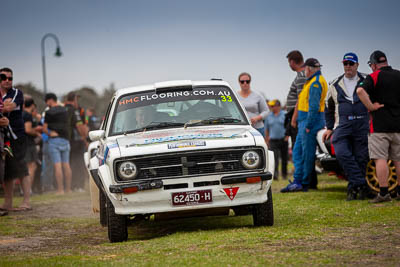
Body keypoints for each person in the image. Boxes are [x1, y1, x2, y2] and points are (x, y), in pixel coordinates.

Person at [323, 53, 369, 201]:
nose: (348, 66)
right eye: (345, 63)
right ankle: (361, 183)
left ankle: (354, 189)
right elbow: (327, 107)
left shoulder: (367, 80)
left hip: (362, 123)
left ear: (357, 65)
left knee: (361, 158)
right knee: (342, 153)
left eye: (351, 63)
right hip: (342, 124)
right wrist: (330, 127)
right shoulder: (334, 84)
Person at [357, 50, 400, 203]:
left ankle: (384, 193)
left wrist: (371, 106)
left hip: (379, 125)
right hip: (398, 124)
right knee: (398, 159)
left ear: (374, 65)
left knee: (380, 158)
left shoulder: (374, 76)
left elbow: (360, 90)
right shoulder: (398, 74)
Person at [281, 58, 328, 192]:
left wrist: (308, 124)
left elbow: (313, 106)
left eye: (305, 69)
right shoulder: (312, 81)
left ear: (308, 69)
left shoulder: (315, 83)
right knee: (298, 152)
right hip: (305, 120)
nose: (304, 71)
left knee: (306, 154)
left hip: (309, 121)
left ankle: (304, 183)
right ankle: (299, 180)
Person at [285, 50, 318, 188]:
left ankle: (305, 181)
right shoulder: (304, 75)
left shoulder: (301, 76)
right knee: (304, 149)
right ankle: (307, 180)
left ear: (292, 61)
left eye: (289, 62)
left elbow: (301, 99)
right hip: (300, 116)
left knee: (300, 150)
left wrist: (293, 118)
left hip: (299, 116)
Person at [0, 68, 31, 211]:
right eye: (3, 77)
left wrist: (5, 107)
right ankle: (8, 203)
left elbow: (7, 108)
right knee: (7, 172)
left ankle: (26, 201)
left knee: (21, 168)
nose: (7, 80)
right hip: (3, 137)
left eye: (10, 78)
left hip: (16, 136)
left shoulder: (17, 93)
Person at [43, 93, 72, 195]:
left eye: (46, 102)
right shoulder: (65, 110)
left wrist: (50, 133)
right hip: (65, 140)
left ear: (50, 100)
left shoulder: (49, 112)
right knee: (66, 165)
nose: (47, 104)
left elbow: (44, 129)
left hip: (54, 140)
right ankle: (68, 189)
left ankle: (60, 190)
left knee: (57, 166)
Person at [64, 92, 88, 192]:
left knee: (69, 163)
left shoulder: (62, 108)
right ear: (74, 99)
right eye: (76, 99)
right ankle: (78, 186)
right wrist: (85, 138)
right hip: (76, 141)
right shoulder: (75, 110)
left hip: (65, 140)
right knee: (79, 163)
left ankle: (70, 186)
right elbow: (79, 126)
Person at [236, 72, 269, 137]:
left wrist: (257, 118)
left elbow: (266, 111)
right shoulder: (235, 96)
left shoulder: (258, 96)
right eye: (242, 81)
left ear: (250, 82)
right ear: (239, 82)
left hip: (258, 128)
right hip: (241, 129)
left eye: (247, 81)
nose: (245, 83)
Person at [22, 98, 42, 195]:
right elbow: (28, 130)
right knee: (31, 166)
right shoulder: (28, 115)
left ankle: (25, 189)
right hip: (29, 144)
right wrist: (37, 133)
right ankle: (28, 190)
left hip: (23, 143)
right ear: (32, 105)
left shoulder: (21, 114)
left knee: (26, 167)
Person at [265, 99, 288, 180]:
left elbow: (288, 126)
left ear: (278, 106)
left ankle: (284, 174)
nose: (271, 107)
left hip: (283, 139)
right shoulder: (269, 116)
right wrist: (267, 140)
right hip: (273, 141)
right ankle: (275, 175)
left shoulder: (285, 114)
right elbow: (266, 129)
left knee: (284, 158)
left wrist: (287, 136)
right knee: (275, 159)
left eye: (272, 106)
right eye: (270, 106)